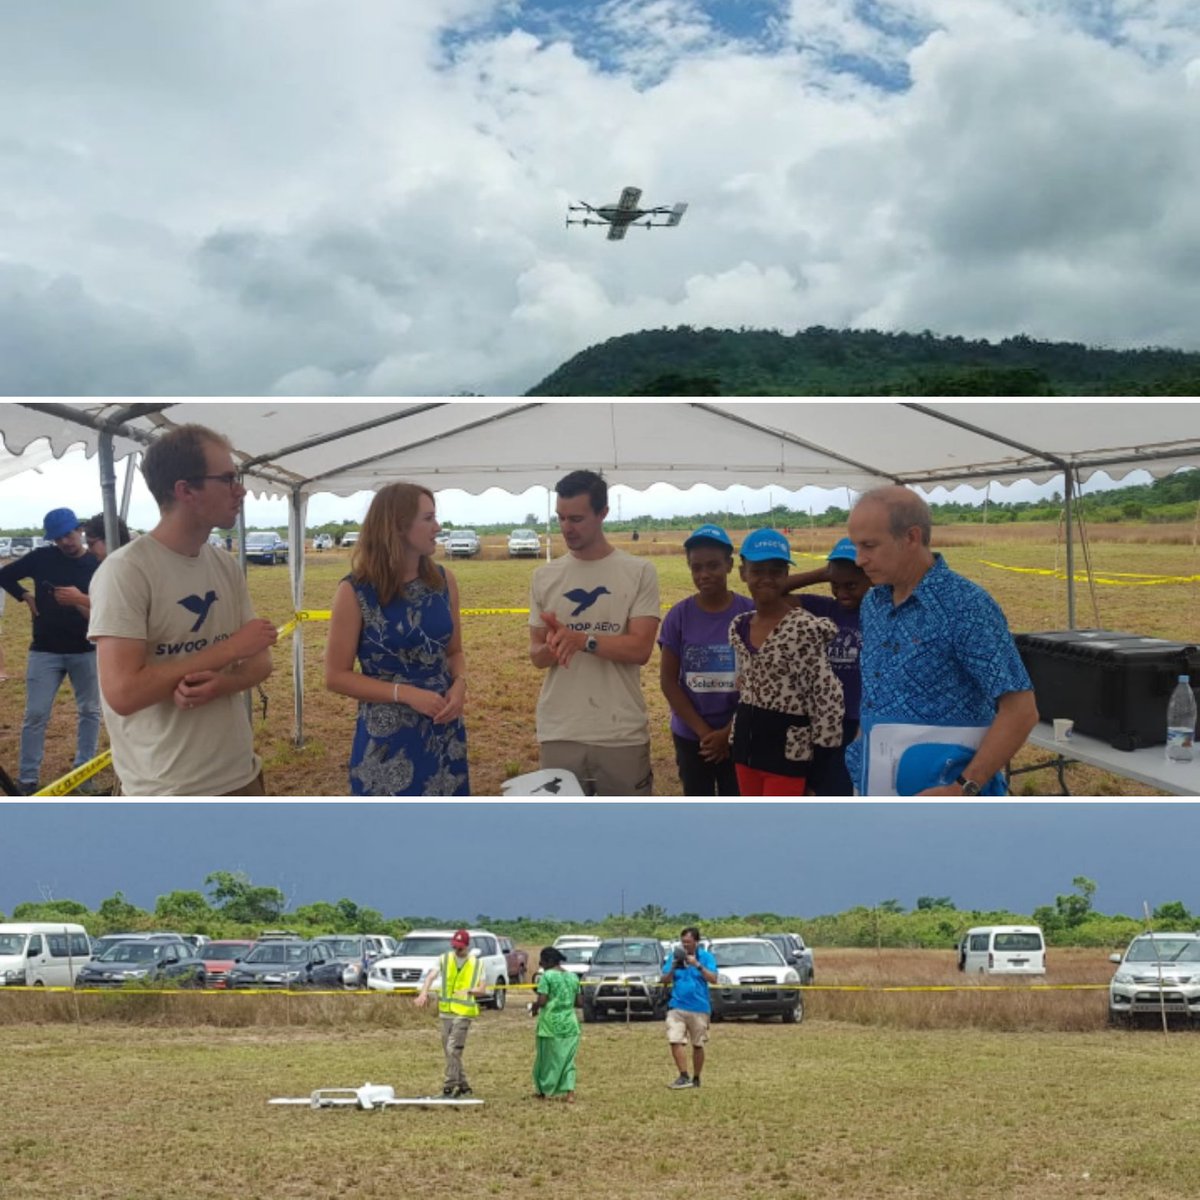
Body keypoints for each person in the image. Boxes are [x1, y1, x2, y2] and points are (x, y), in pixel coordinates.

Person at [88, 424, 278, 796]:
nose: (240, 490)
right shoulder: (126, 571)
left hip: (240, 774)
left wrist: (224, 683)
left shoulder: (223, 564)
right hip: (169, 790)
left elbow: (260, 662)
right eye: (228, 479)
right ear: (185, 490)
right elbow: (123, 693)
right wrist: (229, 651)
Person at [844, 485, 1038, 796]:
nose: (858, 560)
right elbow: (875, 692)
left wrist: (963, 788)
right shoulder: (873, 603)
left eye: (869, 546)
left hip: (947, 801)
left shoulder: (966, 606)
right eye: (856, 546)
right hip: (875, 787)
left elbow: (1021, 711)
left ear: (911, 537)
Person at [324, 482, 468, 796]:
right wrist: (404, 694)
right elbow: (335, 676)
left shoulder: (444, 581)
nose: (438, 527)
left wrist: (460, 684)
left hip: (444, 733)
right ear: (398, 526)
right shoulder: (354, 592)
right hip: (388, 744)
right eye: (428, 518)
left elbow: (454, 652)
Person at [529, 470, 660, 795]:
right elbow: (536, 656)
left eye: (576, 519)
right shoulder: (544, 577)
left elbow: (640, 649)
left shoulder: (639, 572)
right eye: (560, 518)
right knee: (564, 827)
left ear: (603, 513)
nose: (566, 528)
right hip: (560, 731)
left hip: (620, 734)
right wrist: (553, 645)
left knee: (626, 826)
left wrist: (582, 640)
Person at [728, 529, 845, 797]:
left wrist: (819, 769)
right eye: (758, 570)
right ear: (743, 573)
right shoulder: (740, 627)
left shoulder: (803, 629)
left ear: (786, 575)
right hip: (745, 751)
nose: (767, 578)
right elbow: (745, 686)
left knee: (779, 822)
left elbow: (827, 698)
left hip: (787, 757)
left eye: (776, 571)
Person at [0, 508, 102, 793]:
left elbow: (111, 605)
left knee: (90, 711)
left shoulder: (96, 563)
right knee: (35, 714)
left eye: (68, 534)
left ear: (80, 530)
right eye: (58, 538)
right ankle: (28, 778)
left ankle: (84, 773)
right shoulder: (42, 557)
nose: (65, 542)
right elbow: (4, 575)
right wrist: (25, 596)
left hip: (86, 649)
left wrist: (80, 600)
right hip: (45, 649)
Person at [658, 524, 755, 795]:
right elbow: (668, 681)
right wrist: (704, 733)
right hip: (692, 736)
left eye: (713, 566)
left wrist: (728, 732)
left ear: (729, 565)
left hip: (741, 732)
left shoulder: (750, 614)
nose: (704, 575)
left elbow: (762, 683)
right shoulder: (678, 616)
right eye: (696, 568)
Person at [784, 536, 870, 795]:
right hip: (823, 716)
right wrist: (822, 573)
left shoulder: (879, 613)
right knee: (819, 785)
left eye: (851, 585)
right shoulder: (823, 609)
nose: (842, 592)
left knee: (847, 785)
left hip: (860, 719)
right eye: (835, 585)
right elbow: (775, 594)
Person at [415, 929, 489, 1098]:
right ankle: (464, 1086)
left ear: (467, 946)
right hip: (446, 1012)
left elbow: (482, 989)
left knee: (452, 1048)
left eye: (460, 947)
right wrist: (423, 993)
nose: (456, 950)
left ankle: (449, 1086)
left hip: (464, 1012)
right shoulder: (445, 959)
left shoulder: (477, 964)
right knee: (450, 1052)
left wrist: (469, 991)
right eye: (454, 947)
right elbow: (431, 976)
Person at [661, 926, 718, 1089]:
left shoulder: (706, 957)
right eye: (683, 942)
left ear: (696, 942)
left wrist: (697, 965)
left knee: (698, 1044)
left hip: (699, 1007)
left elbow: (713, 979)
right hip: (677, 1005)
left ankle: (696, 1077)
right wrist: (673, 967)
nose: (685, 945)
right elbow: (664, 979)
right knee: (675, 1039)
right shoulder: (675, 956)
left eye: (688, 942)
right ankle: (683, 1075)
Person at [531, 946, 581, 1102]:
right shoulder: (573, 977)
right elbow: (579, 1002)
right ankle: (570, 1092)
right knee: (568, 1060)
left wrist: (534, 1007)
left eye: (542, 961)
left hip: (550, 1025)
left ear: (548, 961)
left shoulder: (547, 976)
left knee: (547, 1059)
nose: (540, 964)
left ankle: (544, 1090)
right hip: (571, 1025)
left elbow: (542, 1000)